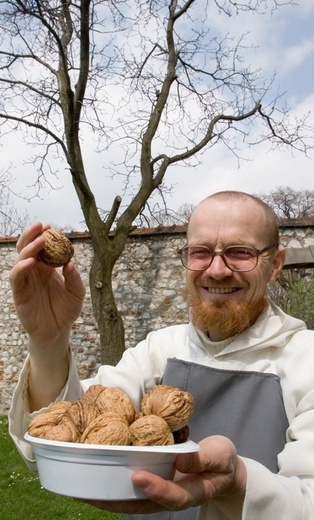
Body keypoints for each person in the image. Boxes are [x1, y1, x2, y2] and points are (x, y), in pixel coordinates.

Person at [8, 190, 314, 520]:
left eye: (240, 252)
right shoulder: (158, 350)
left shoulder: (306, 359)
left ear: (275, 265)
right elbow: (68, 436)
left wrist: (237, 482)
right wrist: (48, 339)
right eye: (200, 252)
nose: (217, 270)